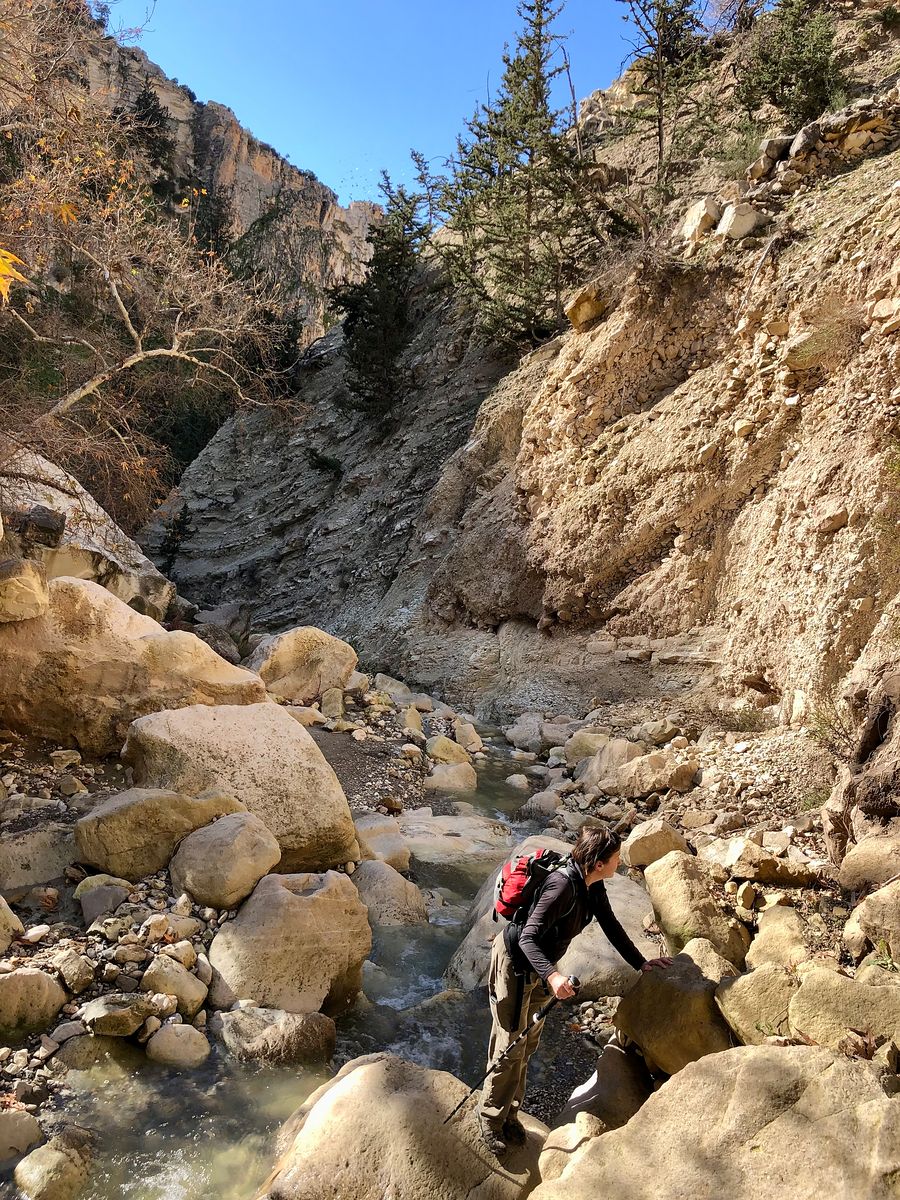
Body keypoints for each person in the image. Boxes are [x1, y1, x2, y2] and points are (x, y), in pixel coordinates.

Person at [478, 825, 672, 1155]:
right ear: (598, 862)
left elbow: (610, 924)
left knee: (528, 1043)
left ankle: (510, 1113)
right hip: (514, 964)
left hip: (541, 968)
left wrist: (642, 963)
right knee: (509, 1044)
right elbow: (526, 939)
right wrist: (554, 977)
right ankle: (489, 1118)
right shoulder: (561, 886)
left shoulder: (592, 885)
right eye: (614, 859)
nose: (619, 864)